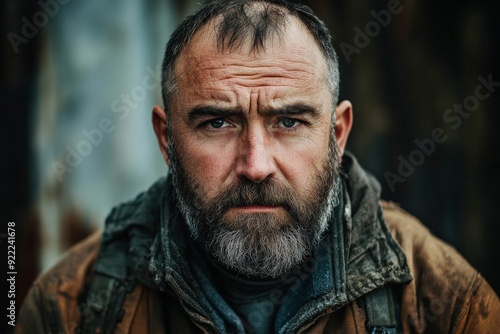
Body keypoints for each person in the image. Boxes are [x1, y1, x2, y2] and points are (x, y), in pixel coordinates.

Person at [18, 0, 500, 333]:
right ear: (167, 139)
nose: (256, 165)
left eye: (289, 121)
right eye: (218, 123)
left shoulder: (444, 302)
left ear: (337, 134)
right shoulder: (72, 305)